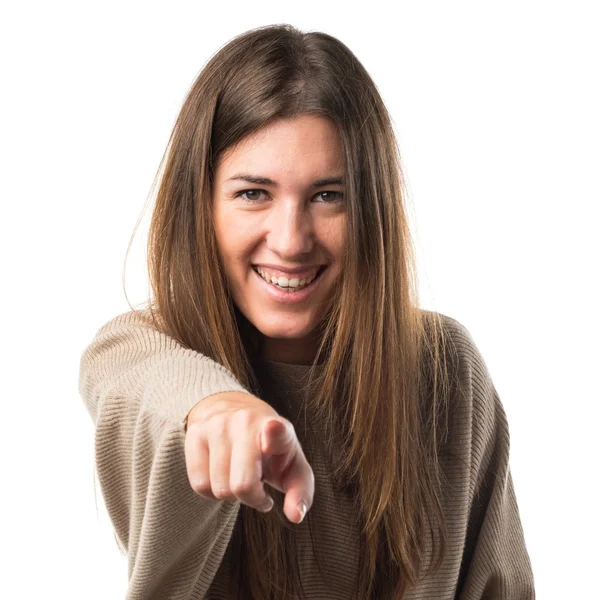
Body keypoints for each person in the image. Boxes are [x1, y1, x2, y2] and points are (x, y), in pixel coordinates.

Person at [78, 23, 535, 600]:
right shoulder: (140, 351)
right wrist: (215, 408)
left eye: (327, 196)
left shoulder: (444, 368)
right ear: (201, 208)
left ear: (370, 209)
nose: (291, 240)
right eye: (253, 194)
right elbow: (140, 381)